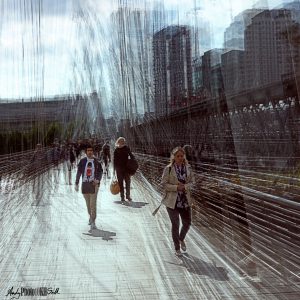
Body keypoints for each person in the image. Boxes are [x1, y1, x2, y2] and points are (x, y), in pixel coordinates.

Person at [161, 147, 195, 256]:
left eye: (182, 156)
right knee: (175, 224)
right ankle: (177, 248)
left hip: (185, 201)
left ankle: (181, 238)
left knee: (187, 223)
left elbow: (193, 182)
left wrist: (185, 186)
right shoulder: (169, 169)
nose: (180, 158)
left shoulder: (188, 168)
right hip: (172, 202)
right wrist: (176, 187)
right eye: (178, 156)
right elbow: (164, 184)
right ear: (174, 157)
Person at [75, 144, 103, 230]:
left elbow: (100, 172)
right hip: (84, 185)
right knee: (88, 204)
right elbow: (79, 172)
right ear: (86, 152)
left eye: (91, 150)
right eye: (88, 151)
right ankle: (90, 217)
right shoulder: (82, 161)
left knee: (92, 204)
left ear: (93, 152)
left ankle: (93, 221)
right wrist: (76, 183)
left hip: (93, 185)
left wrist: (97, 180)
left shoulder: (96, 162)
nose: (90, 152)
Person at [113, 137, 134, 203]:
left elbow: (131, 156)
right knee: (123, 183)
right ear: (118, 142)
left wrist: (132, 161)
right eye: (121, 141)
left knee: (125, 182)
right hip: (122, 169)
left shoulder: (118, 149)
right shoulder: (118, 149)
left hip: (122, 169)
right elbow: (114, 160)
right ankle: (124, 196)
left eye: (123, 141)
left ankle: (125, 196)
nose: (122, 142)